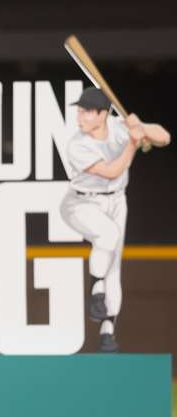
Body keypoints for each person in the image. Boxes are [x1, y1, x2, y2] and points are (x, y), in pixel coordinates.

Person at [60, 88, 170, 353]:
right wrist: (133, 143)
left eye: (87, 111)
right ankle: (95, 291)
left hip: (117, 201)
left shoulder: (119, 127)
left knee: (114, 268)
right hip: (81, 202)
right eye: (80, 110)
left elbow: (164, 137)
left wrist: (140, 127)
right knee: (107, 235)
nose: (80, 117)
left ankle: (107, 331)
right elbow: (111, 172)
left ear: (102, 114)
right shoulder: (77, 143)